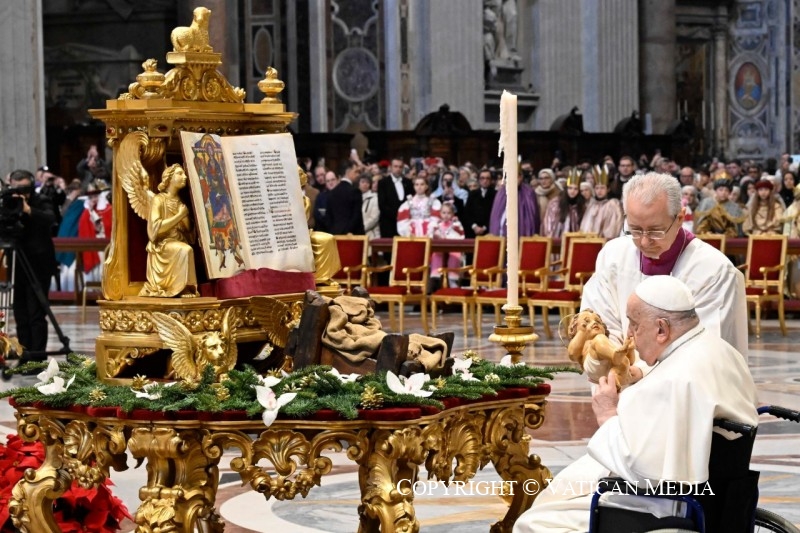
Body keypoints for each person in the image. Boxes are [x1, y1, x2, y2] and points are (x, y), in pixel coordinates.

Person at [514, 276, 759, 533]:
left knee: (534, 522)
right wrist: (641, 371)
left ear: (662, 329)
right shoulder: (715, 348)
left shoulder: (677, 379)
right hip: (721, 489)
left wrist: (607, 415)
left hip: (657, 502)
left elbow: (642, 469)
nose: (629, 334)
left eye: (634, 325)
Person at [581, 172, 748, 357]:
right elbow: (600, 322)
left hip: (680, 383)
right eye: (634, 229)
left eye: (655, 231)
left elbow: (703, 350)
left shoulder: (713, 271)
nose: (644, 242)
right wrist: (611, 361)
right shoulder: (612, 256)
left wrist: (637, 374)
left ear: (679, 219)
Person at [4, 170, 57, 361]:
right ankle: (24, 355)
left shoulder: (41, 200)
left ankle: (37, 357)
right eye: (17, 188)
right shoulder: (8, 200)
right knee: (21, 313)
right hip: (17, 262)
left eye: (25, 188)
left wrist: (27, 210)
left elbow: (51, 219)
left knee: (36, 313)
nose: (21, 193)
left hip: (39, 264)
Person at [140, 164, 198, 297]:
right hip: (162, 245)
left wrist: (184, 218)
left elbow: (188, 229)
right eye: (180, 174)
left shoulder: (179, 201)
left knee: (185, 248)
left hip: (178, 241)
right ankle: (182, 287)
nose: (184, 177)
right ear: (169, 179)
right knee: (186, 250)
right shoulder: (158, 200)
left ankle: (186, 287)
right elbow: (155, 229)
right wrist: (179, 216)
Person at [488, 171, 539, 237]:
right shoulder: (501, 192)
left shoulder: (528, 193)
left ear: (521, 177)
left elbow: (532, 216)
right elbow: (496, 216)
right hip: (501, 235)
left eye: (516, 176)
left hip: (521, 234)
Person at [579, 166, 624, 239]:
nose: (599, 191)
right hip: (590, 240)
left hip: (605, 241)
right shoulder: (592, 204)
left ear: (608, 189)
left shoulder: (613, 204)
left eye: (602, 188)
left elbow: (614, 226)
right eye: (597, 188)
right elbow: (585, 225)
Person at [429, 202, 465, 290]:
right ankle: (437, 277)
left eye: (449, 213)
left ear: (453, 214)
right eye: (444, 213)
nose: (446, 215)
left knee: (455, 254)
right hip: (440, 250)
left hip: (453, 249)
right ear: (440, 213)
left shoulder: (456, 225)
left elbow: (461, 237)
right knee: (436, 254)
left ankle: (452, 279)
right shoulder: (437, 225)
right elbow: (431, 236)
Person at [542, 168, 586, 239]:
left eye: (575, 189)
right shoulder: (555, 203)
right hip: (557, 239)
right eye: (570, 188)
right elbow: (548, 222)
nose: (572, 191)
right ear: (566, 189)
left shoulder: (581, 204)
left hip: (574, 239)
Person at [377, 157, 413, 239]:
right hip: (388, 223)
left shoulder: (408, 182)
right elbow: (382, 204)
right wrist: (397, 215)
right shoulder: (383, 183)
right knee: (389, 250)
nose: (398, 169)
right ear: (390, 167)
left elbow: (410, 201)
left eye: (400, 167)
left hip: (405, 224)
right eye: (395, 166)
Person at [462, 168, 496, 238]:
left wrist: (484, 227)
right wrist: (474, 226)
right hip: (472, 232)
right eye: (482, 178)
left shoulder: (495, 195)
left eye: (487, 178)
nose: (485, 181)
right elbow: (466, 213)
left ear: (491, 180)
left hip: (489, 232)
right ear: (479, 180)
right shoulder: (472, 194)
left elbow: (495, 214)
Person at [359, 174, 380, 240]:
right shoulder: (355, 197)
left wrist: (361, 228)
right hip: (358, 234)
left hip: (371, 235)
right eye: (362, 182)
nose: (365, 184)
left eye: (367, 182)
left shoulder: (375, 197)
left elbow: (374, 218)